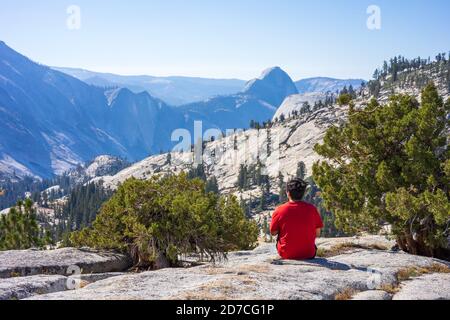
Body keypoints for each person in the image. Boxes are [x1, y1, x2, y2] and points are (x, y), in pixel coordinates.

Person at [270, 178, 323, 260]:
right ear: (303, 193)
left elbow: (273, 232)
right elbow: (317, 233)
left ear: (288, 193)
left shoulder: (279, 210)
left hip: (286, 253)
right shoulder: (312, 209)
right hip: (308, 253)